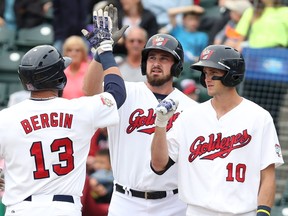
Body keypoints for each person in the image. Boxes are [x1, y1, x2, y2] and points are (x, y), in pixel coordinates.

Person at [0, 7, 126, 216]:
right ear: (60, 78)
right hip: (64, 208)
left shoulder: (6, 117)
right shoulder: (79, 109)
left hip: (21, 208)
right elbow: (118, 93)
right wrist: (104, 51)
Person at [150, 44, 284, 216]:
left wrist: (263, 213)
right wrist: (160, 125)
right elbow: (158, 165)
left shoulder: (259, 117)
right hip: (197, 211)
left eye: (214, 73)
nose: (207, 78)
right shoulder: (189, 117)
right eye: (205, 73)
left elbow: (268, 175)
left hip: (242, 213)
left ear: (232, 75)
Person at [83, 27, 198, 215]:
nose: (156, 63)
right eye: (152, 58)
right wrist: (100, 53)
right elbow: (90, 90)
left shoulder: (191, 107)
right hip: (125, 200)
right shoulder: (124, 92)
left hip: (172, 203)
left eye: (164, 58)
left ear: (176, 65)